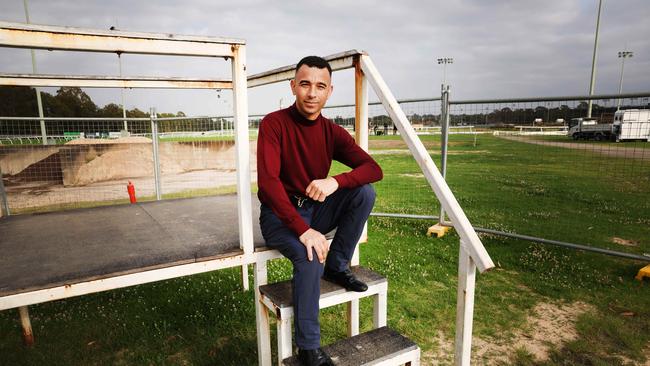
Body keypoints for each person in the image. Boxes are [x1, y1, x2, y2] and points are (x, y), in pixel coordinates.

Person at [257, 56, 383, 366]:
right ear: (293, 87)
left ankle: (338, 266)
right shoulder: (274, 124)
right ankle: (309, 350)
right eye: (305, 85)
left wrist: (335, 182)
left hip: (317, 209)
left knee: (364, 193)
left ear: (329, 92)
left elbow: (373, 169)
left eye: (320, 86)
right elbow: (269, 183)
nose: (312, 93)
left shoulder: (331, 132)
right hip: (280, 215)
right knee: (310, 255)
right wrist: (304, 230)